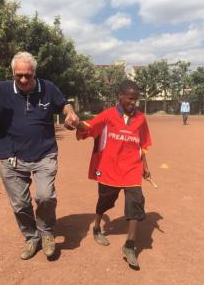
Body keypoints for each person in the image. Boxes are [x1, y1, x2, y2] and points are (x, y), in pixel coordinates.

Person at [0, 51, 79, 260]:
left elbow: (64, 104)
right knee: (20, 203)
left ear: (35, 73)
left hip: (45, 154)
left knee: (45, 196)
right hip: (11, 158)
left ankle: (45, 232)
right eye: (19, 75)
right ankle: (31, 237)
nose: (24, 80)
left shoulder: (47, 87)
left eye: (28, 75)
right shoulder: (0, 90)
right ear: (13, 74)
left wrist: (70, 113)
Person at [76, 80, 152, 269]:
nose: (133, 103)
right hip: (109, 168)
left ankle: (130, 245)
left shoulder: (141, 119)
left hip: (132, 168)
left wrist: (145, 164)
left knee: (135, 201)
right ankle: (96, 226)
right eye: (130, 99)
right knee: (105, 200)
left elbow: (142, 144)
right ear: (120, 96)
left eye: (136, 99)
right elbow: (90, 127)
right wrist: (77, 124)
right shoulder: (108, 115)